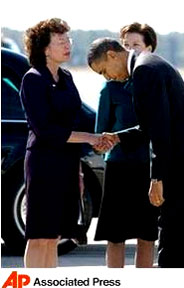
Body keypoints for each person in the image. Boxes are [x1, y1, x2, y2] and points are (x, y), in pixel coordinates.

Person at [87, 38, 184, 268]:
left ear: (112, 55)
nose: (107, 78)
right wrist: (119, 137)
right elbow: (154, 124)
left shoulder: (144, 71)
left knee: (173, 246)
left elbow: (160, 131)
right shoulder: (149, 64)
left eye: (103, 71)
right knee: (178, 243)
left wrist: (156, 178)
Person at [20, 18, 112, 268]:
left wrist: (99, 141)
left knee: (55, 236)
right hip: (43, 164)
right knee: (39, 235)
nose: (67, 45)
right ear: (45, 48)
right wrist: (90, 138)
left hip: (68, 163)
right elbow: (46, 130)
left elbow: (79, 119)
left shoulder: (67, 77)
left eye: (67, 39)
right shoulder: (33, 79)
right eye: (60, 41)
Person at [93, 23, 159, 268]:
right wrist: (101, 144)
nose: (130, 50)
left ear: (149, 49)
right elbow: (101, 133)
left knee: (147, 234)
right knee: (116, 235)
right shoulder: (110, 88)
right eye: (126, 45)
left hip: (149, 168)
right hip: (119, 167)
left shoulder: (154, 83)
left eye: (136, 45)